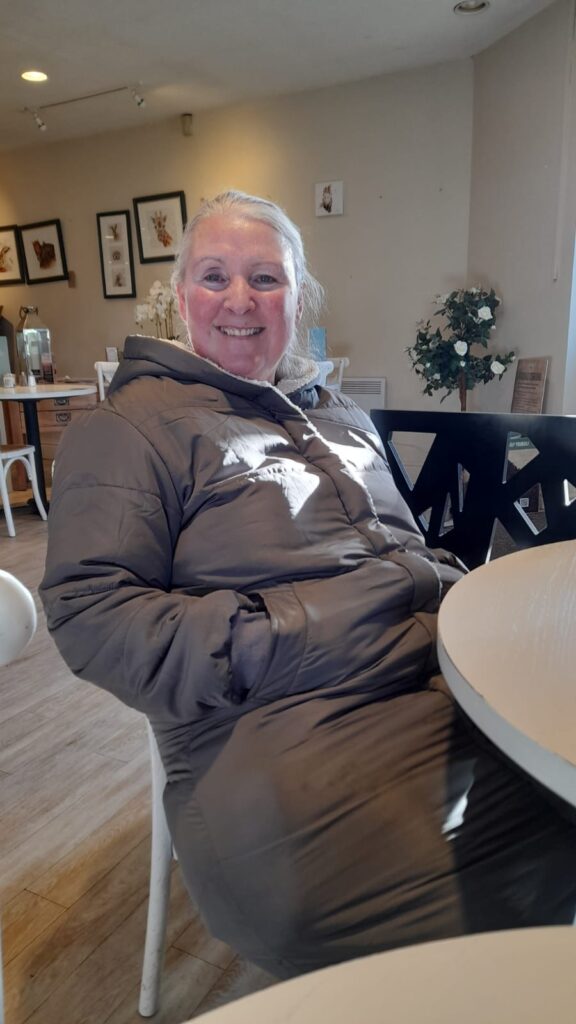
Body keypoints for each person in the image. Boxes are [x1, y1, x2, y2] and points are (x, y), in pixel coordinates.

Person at [40, 190, 576, 979]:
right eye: (215, 276)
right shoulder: (130, 429)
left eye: (267, 279)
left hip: (446, 692)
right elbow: (91, 614)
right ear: (181, 296)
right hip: (292, 746)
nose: (240, 300)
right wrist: (291, 631)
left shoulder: (339, 414)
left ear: (299, 298)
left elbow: (405, 548)